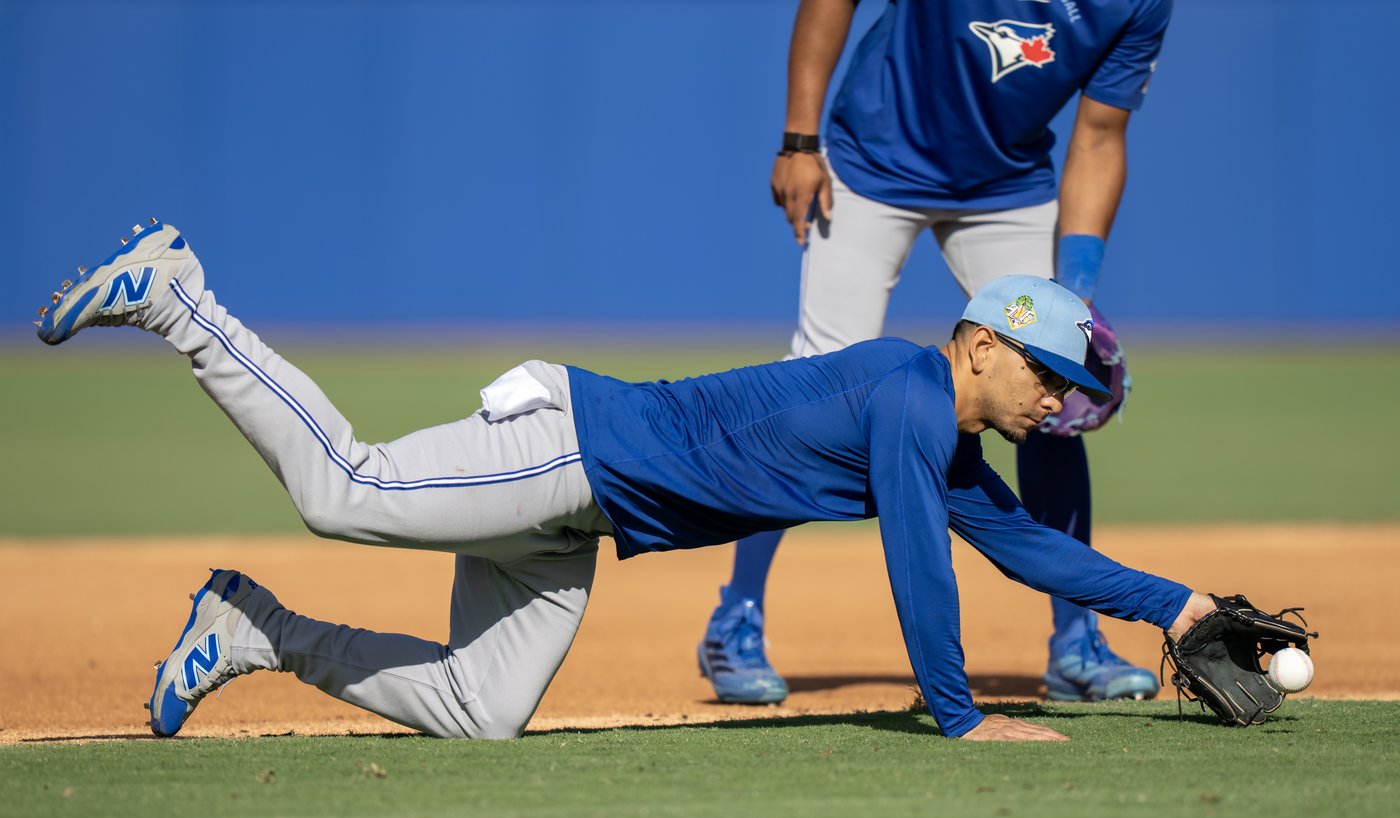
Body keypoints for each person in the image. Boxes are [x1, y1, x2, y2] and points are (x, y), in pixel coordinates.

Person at [36, 221, 1212, 742]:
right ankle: (180, 296)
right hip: (572, 445)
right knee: (342, 488)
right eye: (1048, 378)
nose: (1055, 406)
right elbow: (922, 571)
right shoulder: (910, 397)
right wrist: (959, 720)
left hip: (580, 511)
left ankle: (253, 631)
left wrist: (1179, 607)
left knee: (475, 710)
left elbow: (1022, 550)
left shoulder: (942, 435)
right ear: (981, 342)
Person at [698, 0, 1174, 705]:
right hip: (871, 163)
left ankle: (1074, 641)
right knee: (809, 391)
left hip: (1007, 184)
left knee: (1044, 388)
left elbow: (1100, 136)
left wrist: (1071, 300)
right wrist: (800, 141)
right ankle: (735, 617)